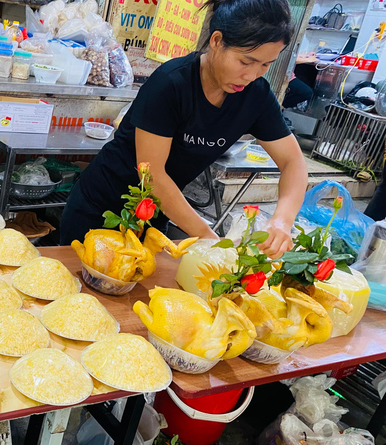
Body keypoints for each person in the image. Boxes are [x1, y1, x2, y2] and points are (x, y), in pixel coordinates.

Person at [60, 0, 308, 259]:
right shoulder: (171, 83)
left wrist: (282, 220)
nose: (252, 75)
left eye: (265, 65)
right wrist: (210, 240)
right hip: (101, 208)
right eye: (246, 61)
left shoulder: (256, 96)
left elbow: (293, 162)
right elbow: (152, 176)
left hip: (156, 215)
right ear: (216, 41)